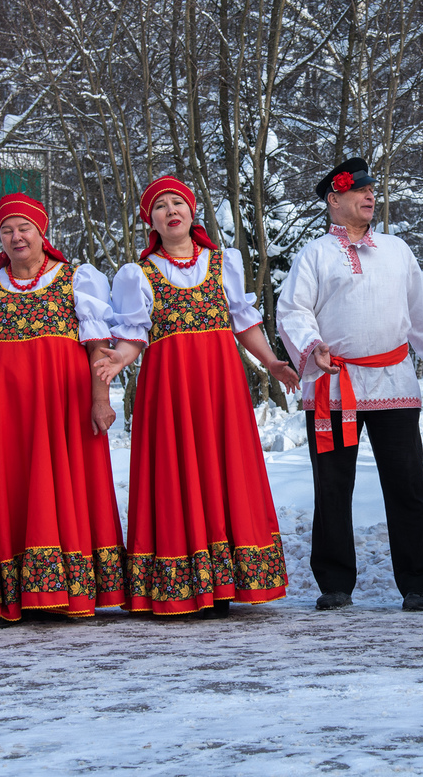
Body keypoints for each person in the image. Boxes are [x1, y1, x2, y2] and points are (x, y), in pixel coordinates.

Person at [94, 176, 299, 616]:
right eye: (160, 206)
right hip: (170, 389)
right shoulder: (139, 273)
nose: (171, 210)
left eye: (177, 203)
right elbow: (134, 335)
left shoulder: (223, 262)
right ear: (151, 222)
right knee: (177, 469)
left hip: (220, 386)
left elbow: (244, 323)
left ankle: (227, 582)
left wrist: (273, 362)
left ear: (190, 212)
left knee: (224, 466)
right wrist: (118, 361)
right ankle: (184, 581)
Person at [276, 158, 423, 612]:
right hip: (333, 385)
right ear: (334, 200)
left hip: (392, 383)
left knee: (406, 483)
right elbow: (292, 310)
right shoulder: (316, 254)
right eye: (360, 190)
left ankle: (419, 582)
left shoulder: (397, 250)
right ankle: (335, 582)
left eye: (372, 190)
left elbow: (422, 315)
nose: (370, 196)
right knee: (332, 484)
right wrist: (312, 346)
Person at [0, 193, 127, 622]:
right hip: (2, 411)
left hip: (63, 405)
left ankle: (69, 588)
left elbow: (97, 343)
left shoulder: (76, 279)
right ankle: (9, 591)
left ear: (43, 233)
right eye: (7, 229)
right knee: (8, 486)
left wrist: (101, 399)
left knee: (65, 483)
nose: (16, 236)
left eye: (25, 228)